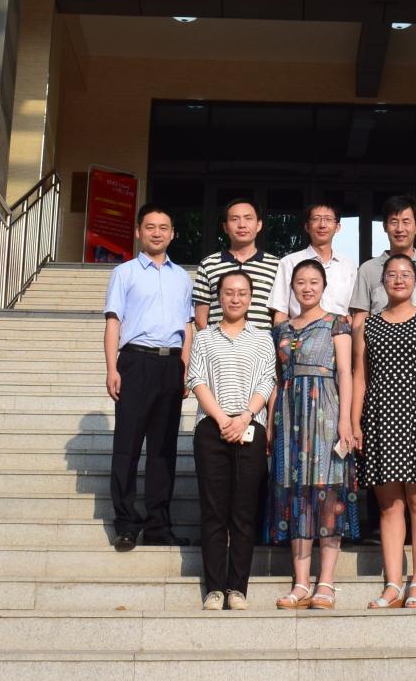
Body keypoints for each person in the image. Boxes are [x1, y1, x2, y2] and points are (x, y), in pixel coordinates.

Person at [349, 252, 416, 609]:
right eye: (391, 274)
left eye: (405, 274)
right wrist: (355, 422)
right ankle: (393, 584)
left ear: (415, 281)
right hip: (380, 417)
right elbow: (359, 378)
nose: (398, 280)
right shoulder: (368, 325)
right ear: (382, 282)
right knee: (389, 504)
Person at [266, 259, 360, 609]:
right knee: (296, 495)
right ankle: (301, 582)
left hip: (326, 413)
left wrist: (346, 421)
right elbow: (276, 379)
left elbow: (346, 374)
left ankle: (327, 582)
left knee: (327, 493)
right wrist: (271, 422)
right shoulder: (281, 329)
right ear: (292, 287)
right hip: (289, 414)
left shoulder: (337, 323)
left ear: (324, 286)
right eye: (300, 282)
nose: (307, 288)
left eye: (313, 282)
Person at [102, 203, 194, 550]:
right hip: (135, 362)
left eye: (163, 227)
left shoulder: (182, 277)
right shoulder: (124, 273)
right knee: (127, 446)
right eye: (150, 226)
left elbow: (187, 326)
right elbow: (114, 321)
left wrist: (185, 367)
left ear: (173, 234)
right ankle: (126, 523)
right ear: (139, 231)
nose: (157, 232)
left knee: (163, 449)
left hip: (171, 366)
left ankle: (158, 525)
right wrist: (111, 368)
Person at [186, 268, 277, 609]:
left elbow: (267, 380)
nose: (235, 298)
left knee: (243, 511)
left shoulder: (262, 338)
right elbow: (196, 379)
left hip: (250, 426)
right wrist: (224, 419)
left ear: (251, 298)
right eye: (228, 293)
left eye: (242, 293)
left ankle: (237, 588)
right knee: (214, 511)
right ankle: (214, 588)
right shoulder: (204, 337)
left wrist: (245, 417)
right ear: (218, 297)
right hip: (212, 427)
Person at [351, 195, 416, 326]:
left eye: (406, 222)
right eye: (394, 222)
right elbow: (360, 317)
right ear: (385, 226)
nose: (399, 229)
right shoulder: (367, 269)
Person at [192, 198, 280, 329]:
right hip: (217, 341)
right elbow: (200, 319)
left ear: (259, 225)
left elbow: (280, 315)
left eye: (248, 218)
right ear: (225, 227)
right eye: (234, 219)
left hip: (262, 342)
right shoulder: (208, 264)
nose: (242, 225)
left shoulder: (276, 266)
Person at [269, 202, 359, 321]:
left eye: (328, 219)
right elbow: (281, 312)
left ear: (337, 227)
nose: (322, 225)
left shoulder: (349, 266)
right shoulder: (289, 262)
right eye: (316, 219)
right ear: (307, 226)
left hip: (339, 331)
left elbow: (354, 313)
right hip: (300, 331)